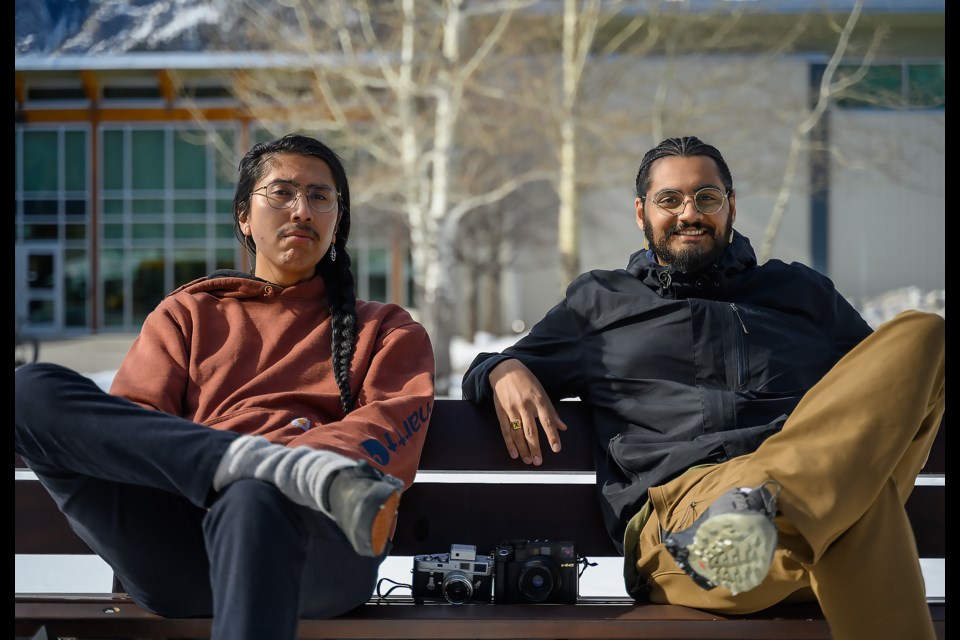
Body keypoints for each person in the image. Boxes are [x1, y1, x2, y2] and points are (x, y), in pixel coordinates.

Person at [461, 135, 943, 640]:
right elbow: (495, 365)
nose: (689, 213)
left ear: (730, 207)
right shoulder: (600, 305)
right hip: (685, 526)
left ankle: (776, 503)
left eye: (706, 198)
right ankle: (759, 509)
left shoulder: (798, 293)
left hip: (803, 510)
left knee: (923, 333)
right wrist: (501, 369)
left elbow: (879, 389)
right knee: (861, 510)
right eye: (669, 200)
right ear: (641, 213)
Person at [15, 133, 436, 640]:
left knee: (253, 499)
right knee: (28, 389)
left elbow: (390, 427)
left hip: (316, 553)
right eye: (281, 193)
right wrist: (235, 466)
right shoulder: (187, 314)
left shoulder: (387, 330)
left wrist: (274, 479)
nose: (301, 210)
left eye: (320, 197)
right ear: (244, 217)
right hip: (182, 552)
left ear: (337, 222)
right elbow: (128, 432)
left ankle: (262, 474)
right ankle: (251, 466)